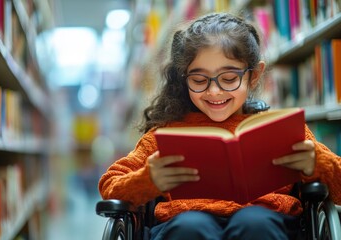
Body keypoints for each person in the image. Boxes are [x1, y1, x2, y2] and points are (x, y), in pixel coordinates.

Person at [99, 12, 341, 240]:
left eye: (228, 78)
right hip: (186, 226)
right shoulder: (163, 135)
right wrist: (148, 179)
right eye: (199, 80)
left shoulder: (283, 131)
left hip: (266, 224)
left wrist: (318, 162)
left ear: (254, 75)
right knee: (190, 225)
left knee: (254, 222)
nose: (214, 91)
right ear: (184, 79)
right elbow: (111, 185)